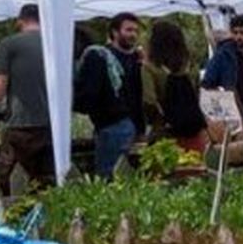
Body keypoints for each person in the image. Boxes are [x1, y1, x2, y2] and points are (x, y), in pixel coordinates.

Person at [0, 4, 53, 195]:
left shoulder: (9, 44)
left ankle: (14, 220)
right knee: (45, 185)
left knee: (9, 182)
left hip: (21, 127)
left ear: (20, 21)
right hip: (51, 128)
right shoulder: (56, 43)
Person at [76, 12, 144, 178]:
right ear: (114, 32)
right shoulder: (100, 57)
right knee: (113, 175)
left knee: (115, 175)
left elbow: (137, 95)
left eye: (135, 31)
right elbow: (91, 92)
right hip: (111, 123)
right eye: (128, 30)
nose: (133, 34)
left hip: (124, 124)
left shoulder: (135, 59)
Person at [142, 20, 209, 153]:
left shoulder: (149, 68)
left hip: (165, 134)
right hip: (194, 130)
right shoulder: (190, 64)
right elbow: (197, 94)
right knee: (195, 168)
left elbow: (149, 101)